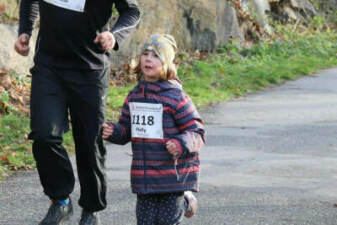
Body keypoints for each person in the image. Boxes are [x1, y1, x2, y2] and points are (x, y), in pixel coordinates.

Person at [14, 0, 140, 224]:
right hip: (49, 66)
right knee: (44, 135)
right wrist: (25, 30)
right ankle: (60, 200)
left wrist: (113, 35)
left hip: (90, 70)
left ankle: (91, 209)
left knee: (89, 143)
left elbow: (131, 11)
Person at [102, 34, 206, 225]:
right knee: (145, 221)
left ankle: (184, 200)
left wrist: (181, 143)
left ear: (167, 64)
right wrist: (114, 131)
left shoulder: (176, 97)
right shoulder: (134, 96)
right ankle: (185, 200)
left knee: (166, 221)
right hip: (145, 177)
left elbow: (197, 131)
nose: (148, 58)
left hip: (172, 177)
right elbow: (126, 129)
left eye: (156, 55)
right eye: (145, 53)